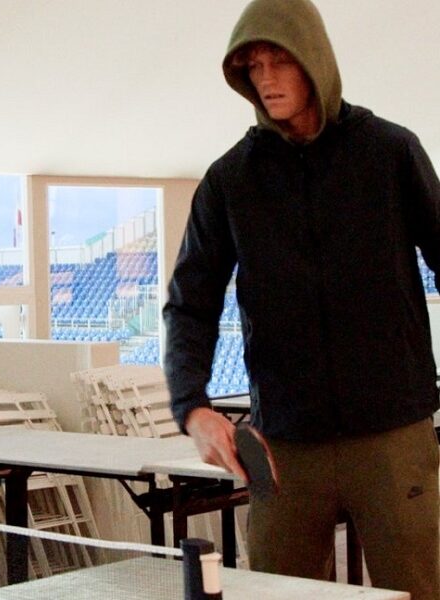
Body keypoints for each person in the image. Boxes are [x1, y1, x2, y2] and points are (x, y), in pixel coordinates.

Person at [163, 0, 440, 597]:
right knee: (277, 594)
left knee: (418, 590)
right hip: (284, 444)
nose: (265, 79)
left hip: (393, 434)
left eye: (279, 61)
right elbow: (190, 302)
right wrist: (192, 405)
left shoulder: (390, 152)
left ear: (313, 59)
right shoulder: (230, 178)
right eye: (252, 66)